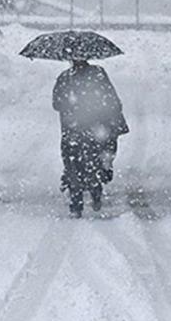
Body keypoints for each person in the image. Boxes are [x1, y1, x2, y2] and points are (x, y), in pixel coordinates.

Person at [53, 59, 128, 217]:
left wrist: (72, 105)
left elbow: (56, 104)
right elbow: (111, 98)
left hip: (72, 130)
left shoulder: (65, 77)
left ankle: (76, 204)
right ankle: (96, 192)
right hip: (95, 128)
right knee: (94, 161)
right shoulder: (98, 74)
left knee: (73, 164)